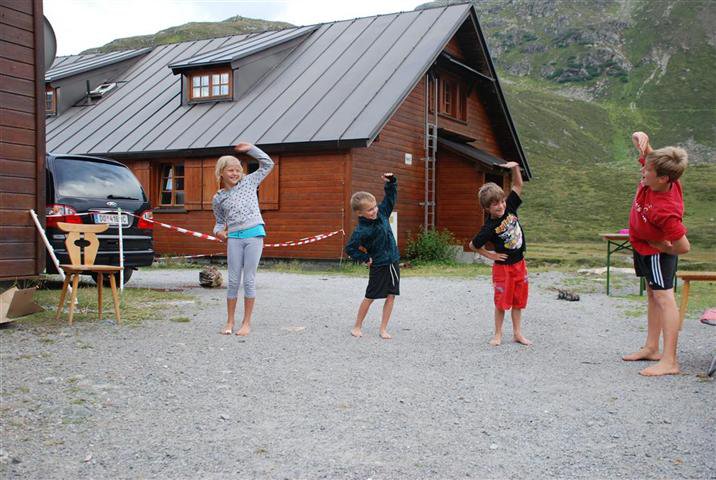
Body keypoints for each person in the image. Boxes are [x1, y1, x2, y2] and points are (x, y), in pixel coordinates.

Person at [622, 131, 690, 376]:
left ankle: (670, 360)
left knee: (664, 298)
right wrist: (642, 138)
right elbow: (648, 153)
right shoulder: (660, 174)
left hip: (655, 253)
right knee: (653, 294)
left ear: (662, 179)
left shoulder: (666, 209)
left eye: (647, 170)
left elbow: (683, 246)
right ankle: (652, 348)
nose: (643, 171)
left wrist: (661, 247)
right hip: (643, 246)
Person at [212, 142, 274, 336]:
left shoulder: (249, 182)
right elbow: (219, 223)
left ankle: (246, 323)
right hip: (234, 239)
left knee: (248, 280)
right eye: (230, 170)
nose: (235, 173)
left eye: (238, 170)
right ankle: (229, 321)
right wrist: (218, 232)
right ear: (221, 173)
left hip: (254, 235)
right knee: (233, 281)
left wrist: (251, 149)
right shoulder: (218, 198)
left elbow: (268, 164)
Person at [469, 162, 532, 347]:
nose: (501, 205)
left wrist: (515, 168)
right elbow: (473, 245)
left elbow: (518, 185)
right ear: (487, 208)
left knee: (518, 301)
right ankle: (497, 334)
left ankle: (517, 333)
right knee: (501, 303)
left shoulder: (510, 207)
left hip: (519, 264)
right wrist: (491, 256)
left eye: (502, 201)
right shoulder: (489, 227)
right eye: (495, 204)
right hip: (503, 269)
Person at [345, 173, 400, 339]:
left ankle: (383, 329)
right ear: (359, 213)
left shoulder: (382, 213)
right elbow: (350, 248)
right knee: (370, 297)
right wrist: (365, 258)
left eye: (374, 206)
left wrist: (391, 182)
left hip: (393, 262)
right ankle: (357, 326)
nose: (374, 210)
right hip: (378, 265)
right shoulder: (361, 231)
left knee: (391, 295)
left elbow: (390, 198)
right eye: (370, 210)